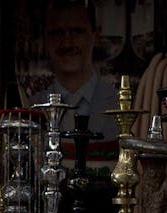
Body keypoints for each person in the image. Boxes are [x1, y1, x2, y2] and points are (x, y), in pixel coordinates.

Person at [41, 1, 118, 142]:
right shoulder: (31, 109)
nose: (67, 43)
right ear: (45, 39)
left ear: (96, 36)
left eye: (77, 32)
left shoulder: (119, 107)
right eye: (57, 33)